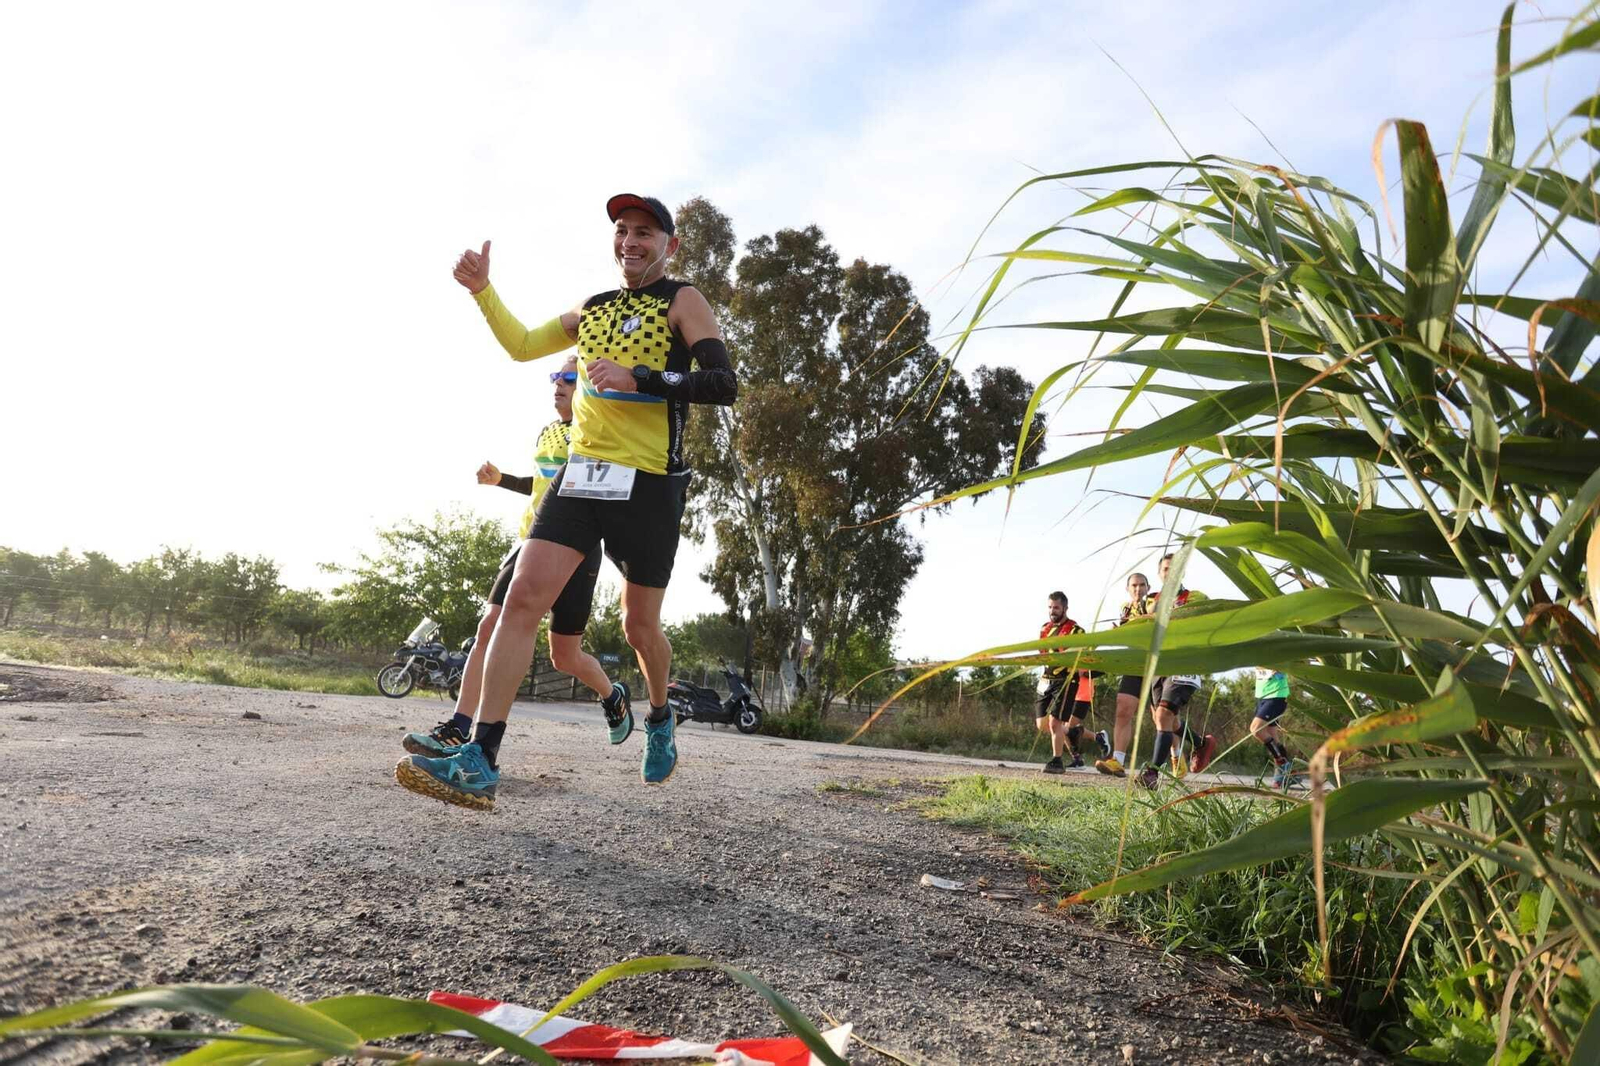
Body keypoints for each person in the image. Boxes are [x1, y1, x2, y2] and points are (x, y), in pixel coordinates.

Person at [397, 193, 737, 809]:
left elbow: (721, 383)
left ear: (669, 244)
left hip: (651, 482)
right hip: (581, 477)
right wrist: (483, 292)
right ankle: (481, 754)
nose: (630, 241)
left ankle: (659, 713)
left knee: (639, 626)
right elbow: (524, 344)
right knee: (523, 597)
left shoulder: (682, 300)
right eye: (621, 230)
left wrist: (644, 379)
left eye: (644, 232)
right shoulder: (593, 308)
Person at [397, 355, 630, 781]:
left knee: (564, 656)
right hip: (529, 541)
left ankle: (613, 695)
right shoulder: (547, 432)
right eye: (555, 376)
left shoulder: (597, 433)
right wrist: (502, 479)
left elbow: (606, 492)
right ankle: (459, 729)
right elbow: (541, 485)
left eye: (569, 378)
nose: (558, 384)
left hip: (576, 549)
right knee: (489, 626)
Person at [1094, 573, 1152, 778]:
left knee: (1164, 717)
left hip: (1156, 664)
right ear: (1128, 589)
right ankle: (1118, 761)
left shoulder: (1154, 602)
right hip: (1134, 663)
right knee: (1123, 708)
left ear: (1148, 587)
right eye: (1134, 586)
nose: (1138, 589)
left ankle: (1184, 752)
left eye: (1142, 585)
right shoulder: (1125, 609)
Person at [1035, 592, 1081, 774]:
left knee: (1055, 721)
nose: (1052, 611)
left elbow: (1073, 654)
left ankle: (1057, 761)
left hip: (1066, 679)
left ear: (1065, 608)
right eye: (1050, 607)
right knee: (1041, 724)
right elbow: (1042, 652)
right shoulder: (1044, 628)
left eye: (1056, 607)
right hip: (1046, 679)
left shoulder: (1075, 630)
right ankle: (1071, 732)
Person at [1251, 666, 1298, 789]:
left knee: (1256, 729)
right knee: (1272, 734)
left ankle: (1283, 764)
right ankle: (1286, 775)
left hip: (1277, 695)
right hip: (1262, 695)